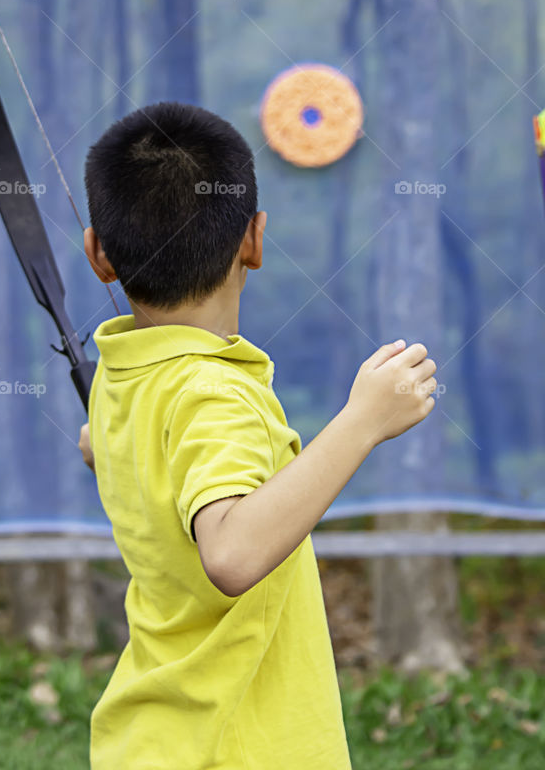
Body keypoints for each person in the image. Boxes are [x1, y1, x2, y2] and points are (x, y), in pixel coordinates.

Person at [78, 101, 438, 769]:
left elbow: (101, 445)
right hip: (238, 748)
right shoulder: (215, 393)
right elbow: (233, 554)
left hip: (148, 740)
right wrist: (361, 422)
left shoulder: (123, 369)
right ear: (254, 240)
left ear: (98, 252)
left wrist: (105, 445)